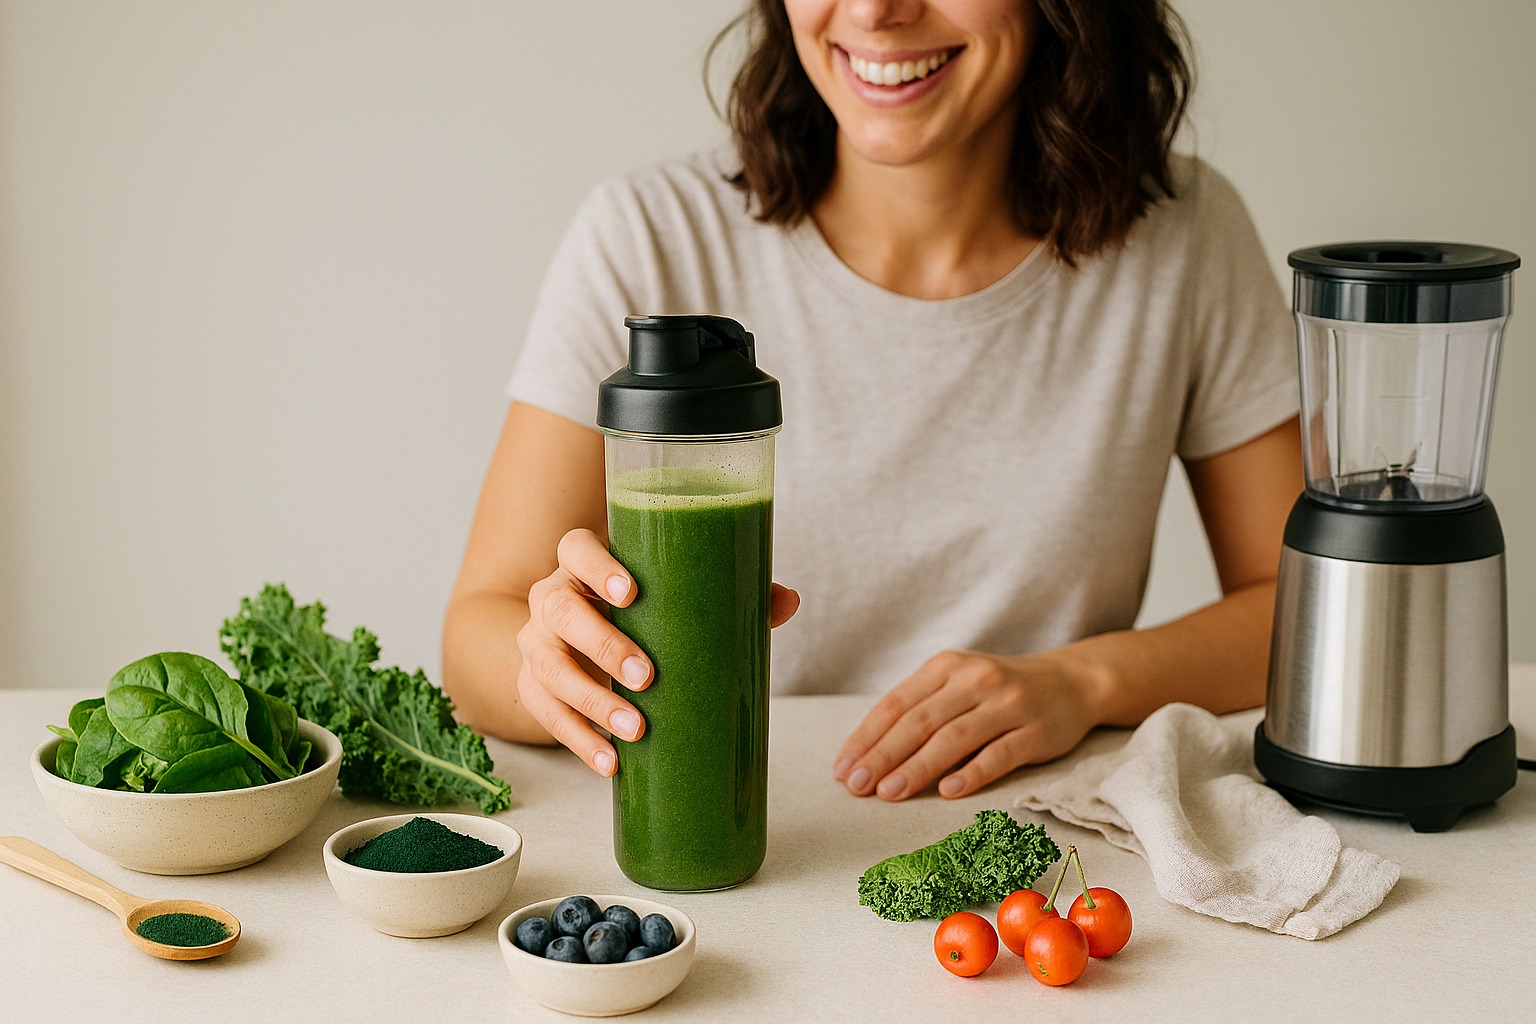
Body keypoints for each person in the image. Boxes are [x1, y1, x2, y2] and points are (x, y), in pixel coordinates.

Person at [442, 0, 1303, 803]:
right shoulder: (650, 238)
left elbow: (1301, 610)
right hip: (728, 830)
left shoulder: (1186, 237)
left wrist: (1085, 680)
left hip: (1047, 831)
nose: (873, 12)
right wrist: (549, 657)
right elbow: (479, 637)